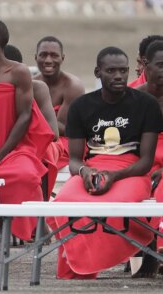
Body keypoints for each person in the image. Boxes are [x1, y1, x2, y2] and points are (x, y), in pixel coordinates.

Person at [48, 46, 163, 279]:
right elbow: (74, 160)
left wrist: (114, 177)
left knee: (115, 205)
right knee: (65, 201)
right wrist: (85, 172)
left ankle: (93, 261)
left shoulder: (146, 105)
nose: (118, 76)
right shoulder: (82, 106)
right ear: (97, 72)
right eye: (111, 71)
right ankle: (79, 264)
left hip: (130, 171)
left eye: (123, 70)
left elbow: (146, 161)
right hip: (92, 167)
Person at [0, 19, 54, 240]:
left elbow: (25, 116)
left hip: (13, 146)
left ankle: (34, 225)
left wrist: (1, 155)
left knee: (25, 175)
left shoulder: (18, 72)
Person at [4, 43, 62, 199]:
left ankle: (39, 210)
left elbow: (52, 133)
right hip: (8, 147)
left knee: (41, 156)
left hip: (40, 145)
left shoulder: (37, 88)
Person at [34, 36, 85, 169]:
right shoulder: (30, 84)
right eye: (43, 55)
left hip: (64, 143)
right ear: (36, 57)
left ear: (62, 58)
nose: (48, 60)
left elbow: (63, 129)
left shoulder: (73, 86)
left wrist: (36, 117)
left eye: (54, 55)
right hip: (36, 138)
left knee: (40, 153)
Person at [134, 40, 163, 277]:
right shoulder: (134, 97)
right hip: (144, 155)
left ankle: (157, 253)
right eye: (161, 65)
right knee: (138, 188)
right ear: (146, 65)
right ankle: (148, 254)